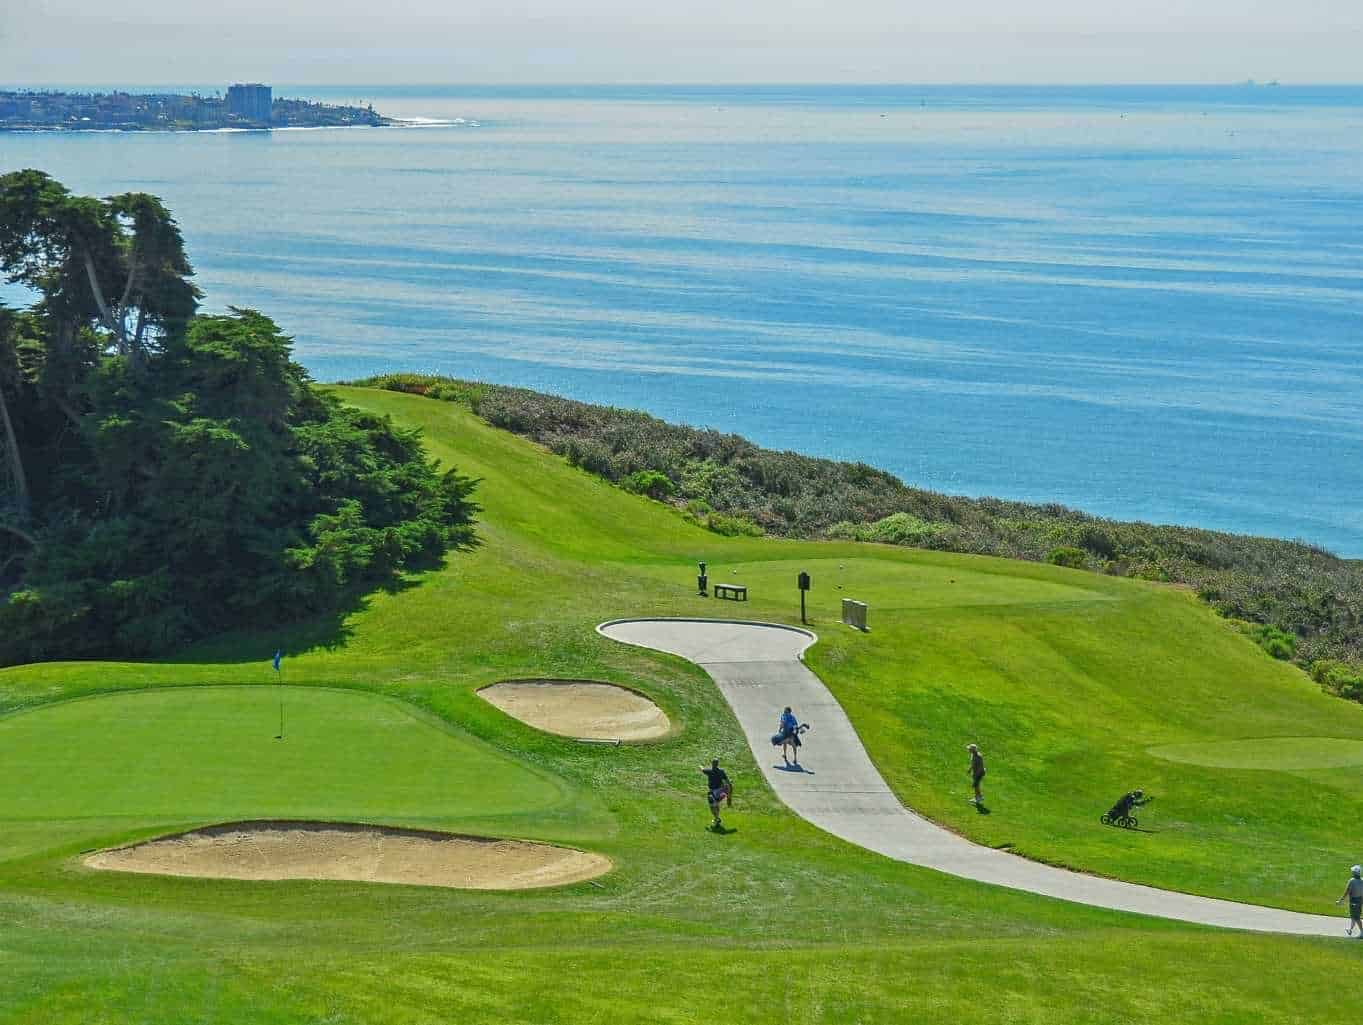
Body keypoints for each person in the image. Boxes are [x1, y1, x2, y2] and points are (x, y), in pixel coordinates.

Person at [701, 758, 732, 830]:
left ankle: (717, 819)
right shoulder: (721, 771)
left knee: (712, 806)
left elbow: (702, 769)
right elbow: (727, 781)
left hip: (712, 792)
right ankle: (717, 818)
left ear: (712, 764)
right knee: (716, 804)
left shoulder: (710, 771)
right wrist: (728, 789)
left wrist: (700, 766)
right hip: (720, 791)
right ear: (718, 764)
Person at [1336, 865, 1363, 936]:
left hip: (1354, 901)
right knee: (1354, 916)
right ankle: (1350, 929)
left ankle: (1362, 932)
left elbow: (1346, 892)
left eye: (1353, 871)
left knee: (1356, 917)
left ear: (1354, 873)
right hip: (1360, 901)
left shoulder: (1352, 881)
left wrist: (1341, 900)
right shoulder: (1362, 880)